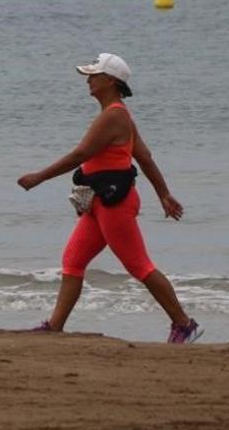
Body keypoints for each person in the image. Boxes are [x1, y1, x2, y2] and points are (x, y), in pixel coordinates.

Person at [17, 53, 202, 344]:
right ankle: (55, 326)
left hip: (116, 204)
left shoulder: (114, 116)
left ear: (112, 81)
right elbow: (145, 157)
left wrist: (38, 177)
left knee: (139, 265)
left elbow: (81, 154)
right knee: (73, 259)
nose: (88, 80)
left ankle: (184, 324)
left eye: (94, 75)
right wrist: (163, 194)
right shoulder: (120, 115)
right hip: (98, 202)